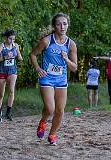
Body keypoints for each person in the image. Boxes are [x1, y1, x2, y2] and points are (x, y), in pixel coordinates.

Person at [30, 13, 77, 145]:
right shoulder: (46, 41)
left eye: (65, 24)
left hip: (61, 80)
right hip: (47, 78)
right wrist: (38, 68)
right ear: (54, 26)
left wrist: (66, 59)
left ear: (68, 25)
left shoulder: (71, 44)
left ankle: (52, 135)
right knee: (50, 109)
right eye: (59, 24)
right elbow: (33, 54)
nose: (62, 27)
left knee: (60, 110)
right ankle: (43, 122)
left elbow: (74, 68)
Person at [0, 29, 23, 122]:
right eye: (10, 39)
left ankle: (8, 113)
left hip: (12, 71)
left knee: (11, 91)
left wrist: (17, 56)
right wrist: (4, 57)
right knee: (1, 94)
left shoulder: (16, 46)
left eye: (13, 39)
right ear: (6, 38)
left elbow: (20, 58)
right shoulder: (1, 46)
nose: (12, 41)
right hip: (2, 71)